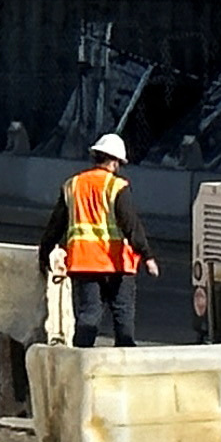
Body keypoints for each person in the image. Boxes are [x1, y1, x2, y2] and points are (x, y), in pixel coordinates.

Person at [42, 130, 157, 347]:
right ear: (114, 162)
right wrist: (147, 255)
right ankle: (124, 365)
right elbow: (130, 224)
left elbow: (56, 224)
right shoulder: (117, 186)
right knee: (122, 314)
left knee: (89, 314)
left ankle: (80, 364)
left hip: (84, 262)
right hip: (118, 263)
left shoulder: (73, 185)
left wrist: (44, 252)